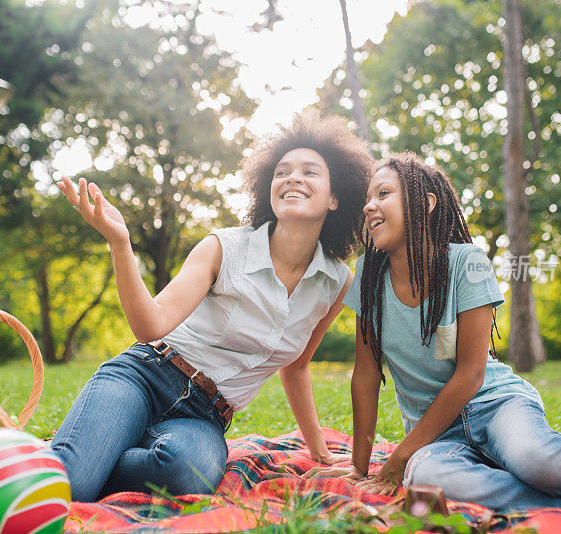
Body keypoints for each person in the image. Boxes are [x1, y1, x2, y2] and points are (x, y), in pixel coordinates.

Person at [307, 151, 561, 516]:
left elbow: (470, 374)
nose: (369, 206)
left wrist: (399, 457)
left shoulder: (466, 262)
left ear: (425, 203)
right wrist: (360, 466)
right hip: (435, 436)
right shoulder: (369, 279)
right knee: (427, 478)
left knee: (535, 459)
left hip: (495, 404)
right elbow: (366, 375)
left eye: (384, 194)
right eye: (368, 199)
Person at [51, 111, 374, 502]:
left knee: (186, 474)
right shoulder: (224, 247)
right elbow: (150, 325)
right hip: (145, 375)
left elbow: (298, 365)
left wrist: (319, 452)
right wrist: (121, 244)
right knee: (69, 487)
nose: (293, 178)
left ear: (336, 197)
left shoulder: (337, 281)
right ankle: (79, 457)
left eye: (310, 172)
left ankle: (88, 451)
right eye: (282, 171)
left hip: (203, 416)